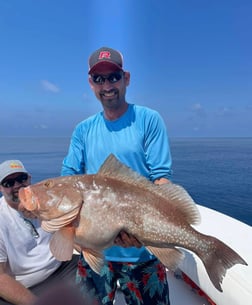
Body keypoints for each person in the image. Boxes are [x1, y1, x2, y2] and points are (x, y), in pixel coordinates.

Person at [61, 46, 173, 305]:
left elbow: (161, 178)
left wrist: (154, 228)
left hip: (143, 251)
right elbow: (69, 177)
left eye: (113, 76)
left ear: (127, 78)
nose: (107, 84)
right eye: (99, 79)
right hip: (94, 251)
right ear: (91, 84)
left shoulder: (148, 119)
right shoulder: (83, 130)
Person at [0, 160, 79, 305]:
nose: (17, 185)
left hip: (61, 269)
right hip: (25, 288)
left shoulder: (48, 202)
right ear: (1, 188)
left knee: (97, 265)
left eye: (21, 179)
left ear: (29, 179)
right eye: (9, 183)